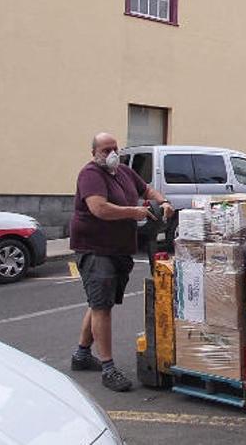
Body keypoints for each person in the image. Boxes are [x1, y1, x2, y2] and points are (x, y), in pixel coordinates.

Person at [70, 132, 174, 392]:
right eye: (106, 150)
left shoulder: (124, 173)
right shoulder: (90, 174)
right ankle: (108, 368)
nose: (112, 154)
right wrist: (133, 211)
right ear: (94, 152)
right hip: (95, 249)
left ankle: (81, 355)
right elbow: (99, 208)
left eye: (115, 148)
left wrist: (163, 201)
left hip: (119, 249)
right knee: (101, 307)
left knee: (99, 304)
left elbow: (146, 189)